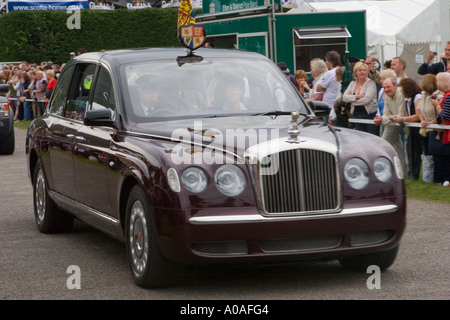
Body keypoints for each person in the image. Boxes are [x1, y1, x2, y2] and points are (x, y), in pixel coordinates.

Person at [374, 76, 406, 173]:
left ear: (395, 86)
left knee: (383, 145)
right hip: (392, 123)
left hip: (400, 123)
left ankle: (380, 171)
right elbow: (386, 113)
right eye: (384, 87)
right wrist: (387, 118)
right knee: (398, 146)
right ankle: (402, 172)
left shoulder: (400, 94)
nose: (386, 90)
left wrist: (383, 119)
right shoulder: (387, 96)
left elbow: (400, 116)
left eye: (388, 87)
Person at [416, 74, 444, 182]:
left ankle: (439, 178)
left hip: (436, 130)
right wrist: (422, 120)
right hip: (425, 129)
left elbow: (440, 112)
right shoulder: (423, 95)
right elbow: (418, 109)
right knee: (427, 154)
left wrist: (431, 122)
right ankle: (428, 178)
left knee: (436, 154)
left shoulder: (437, 95)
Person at [394, 78, 423, 179]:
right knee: (410, 150)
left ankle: (415, 174)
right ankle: (411, 173)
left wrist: (403, 118)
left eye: (401, 89)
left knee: (416, 152)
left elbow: (418, 115)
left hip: (419, 129)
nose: (400, 91)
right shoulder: (407, 99)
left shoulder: (417, 97)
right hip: (412, 128)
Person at [343, 61, 379, 135]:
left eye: (364, 70)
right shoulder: (352, 84)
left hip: (370, 115)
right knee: (360, 138)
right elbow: (344, 98)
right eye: (360, 70)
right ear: (355, 72)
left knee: (371, 138)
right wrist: (357, 96)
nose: (362, 72)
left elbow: (366, 100)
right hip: (356, 115)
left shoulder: (371, 84)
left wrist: (351, 101)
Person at [430, 72, 450, 184]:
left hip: (448, 132)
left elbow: (446, 117)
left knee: (443, 156)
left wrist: (437, 105)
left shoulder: (448, 97)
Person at [316, 50, 342, 122]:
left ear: (330, 61)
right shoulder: (343, 70)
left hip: (329, 105)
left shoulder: (329, 73)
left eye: (326, 60)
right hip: (340, 104)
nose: (326, 63)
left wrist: (324, 87)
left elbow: (318, 88)